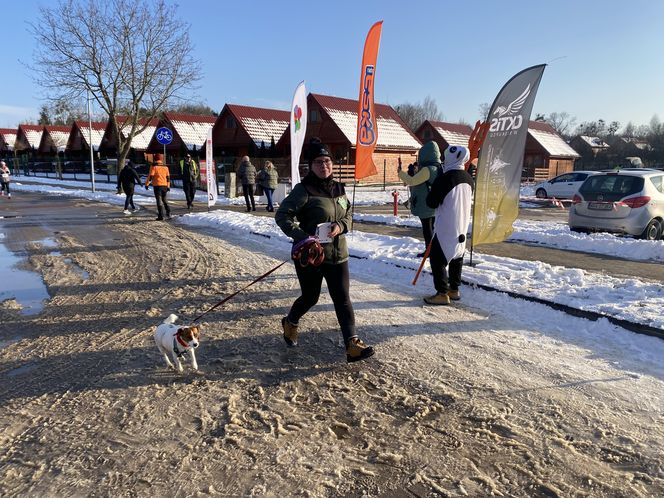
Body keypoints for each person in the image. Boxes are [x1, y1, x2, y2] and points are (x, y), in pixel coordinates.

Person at [275, 139, 374, 363]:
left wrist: (341, 226)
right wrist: (302, 237)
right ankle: (290, 322)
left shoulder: (339, 188)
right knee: (310, 297)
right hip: (311, 256)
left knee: (342, 298)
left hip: (339, 255)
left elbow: (348, 214)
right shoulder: (303, 190)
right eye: (318, 162)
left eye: (327, 161)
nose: (324, 166)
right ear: (310, 166)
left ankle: (352, 344)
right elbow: (282, 216)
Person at [424, 145, 474, 305]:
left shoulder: (444, 179)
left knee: (437, 259)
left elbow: (431, 202)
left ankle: (441, 293)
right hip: (462, 225)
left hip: (446, 225)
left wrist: (430, 189)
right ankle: (454, 289)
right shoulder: (468, 178)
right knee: (457, 258)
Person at [397, 142, 440, 257]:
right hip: (435, 202)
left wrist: (400, 173)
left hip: (426, 203)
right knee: (433, 228)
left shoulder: (428, 169)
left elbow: (412, 181)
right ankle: (434, 249)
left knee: (427, 228)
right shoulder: (438, 167)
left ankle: (429, 250)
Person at [145, 154, 171, 221]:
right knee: (164, 199)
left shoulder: (154, 167)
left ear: (155, 159)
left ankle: (161, 216)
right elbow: (168, 178)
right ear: (161, 159)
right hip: (164, 185)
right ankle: (168, 213)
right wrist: (168, 186)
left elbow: (150, 176)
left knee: (159, 200)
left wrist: (147, 184)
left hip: (157, 186)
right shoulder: (166, 167)